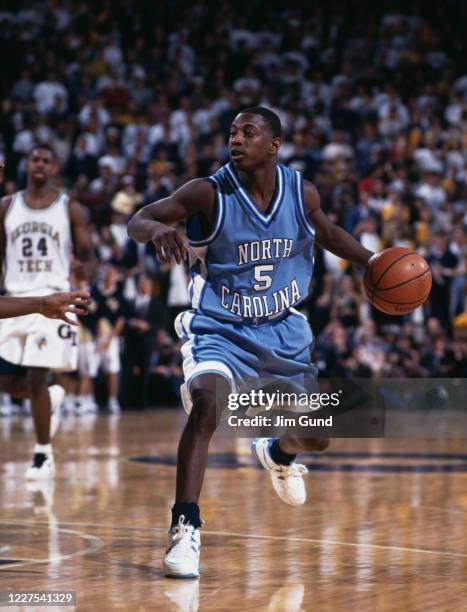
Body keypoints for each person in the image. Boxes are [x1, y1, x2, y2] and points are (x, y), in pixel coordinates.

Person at [128, 107, 373, 578]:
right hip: (221, 328)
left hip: (282, 331)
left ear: (274, 145)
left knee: (317, 436)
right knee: (207, 406)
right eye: (232, 132)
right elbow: (140, 218)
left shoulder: (301, 192)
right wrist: (159, 229)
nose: (236, 139)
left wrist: (374, 260)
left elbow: (326, 234)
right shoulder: (209, 191)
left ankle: (277, 453)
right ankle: (185, 528)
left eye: (248, 132)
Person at [0, 144, 96, 479]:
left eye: (46, 160)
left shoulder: (70, 208)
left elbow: (89, 255)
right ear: (27, 164)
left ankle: (43, 455)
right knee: (9, 381)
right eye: (34, 159)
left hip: (53, 300)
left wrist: (85, 279)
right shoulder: (7, 206)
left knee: (36, 375)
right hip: (15, 299)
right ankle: (51, 399)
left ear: (54, 168)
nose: (39, 164)